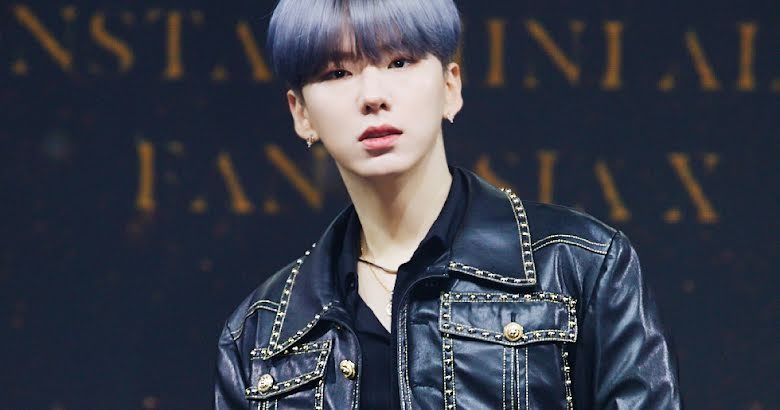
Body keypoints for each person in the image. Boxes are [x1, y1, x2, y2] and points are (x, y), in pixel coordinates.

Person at [214, 0, 682, 408]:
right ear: (301, 113)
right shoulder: (260, 335)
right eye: (337, 73)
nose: (372, 96)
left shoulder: (579, 265)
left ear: (450, 86)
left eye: (399, 62)